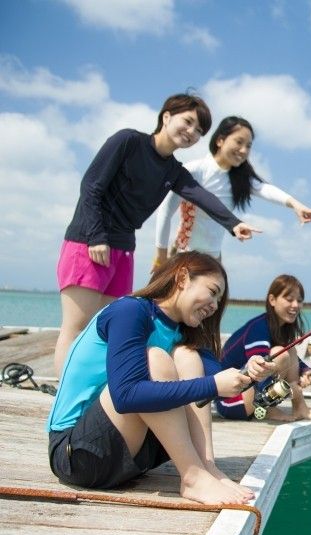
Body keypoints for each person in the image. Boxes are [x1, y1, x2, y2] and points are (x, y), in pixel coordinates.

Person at [54, 94, 262, 375]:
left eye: (199, 130)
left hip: (124, 248)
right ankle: (63, 399)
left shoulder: (173, 170)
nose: (191, 132)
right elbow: (91, 186)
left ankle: (90, 398)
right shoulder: (128, 141)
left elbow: (200, 195)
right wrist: (96, 236)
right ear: (166, 116)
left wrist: (233, 224)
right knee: (76, 327)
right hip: (89, 241)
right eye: (187, 122)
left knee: (105, 329)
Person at [46, 251, 275, 505]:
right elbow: (125, 397)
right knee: (155, 358)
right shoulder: (130, 311)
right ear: (182, 278)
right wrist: (213, 384)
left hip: (129, 455)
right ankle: (192, 476)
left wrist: (249, 372)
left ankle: (206, 466)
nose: (214, 305)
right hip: (77, 455)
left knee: (188, 356)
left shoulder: (181, 333)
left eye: (219, 300)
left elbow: (216, 377)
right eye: (212, 291)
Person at [153, 115, 311, 266]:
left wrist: (295, 204)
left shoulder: (239, 179)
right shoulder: (193, 171)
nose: (244, 150)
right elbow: (165, 212)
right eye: (239, 142)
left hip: (214, 259)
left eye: (248, 146)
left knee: (214, 302)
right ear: (220, 140)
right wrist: (160, 258)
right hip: (184, 256)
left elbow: (265, 189)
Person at [212, 274, 311, 425]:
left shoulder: (280, 329)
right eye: (289, 299)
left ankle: (299, 406)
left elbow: (290, 359)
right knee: (279, 354)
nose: (295, 305)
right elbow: (260, 367)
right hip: (229, 401)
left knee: (289, 351)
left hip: (248, 394)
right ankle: (268, 409)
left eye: (299, 301)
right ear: (272, 300)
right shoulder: (258, 328)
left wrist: (305, 372)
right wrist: (285, 376)